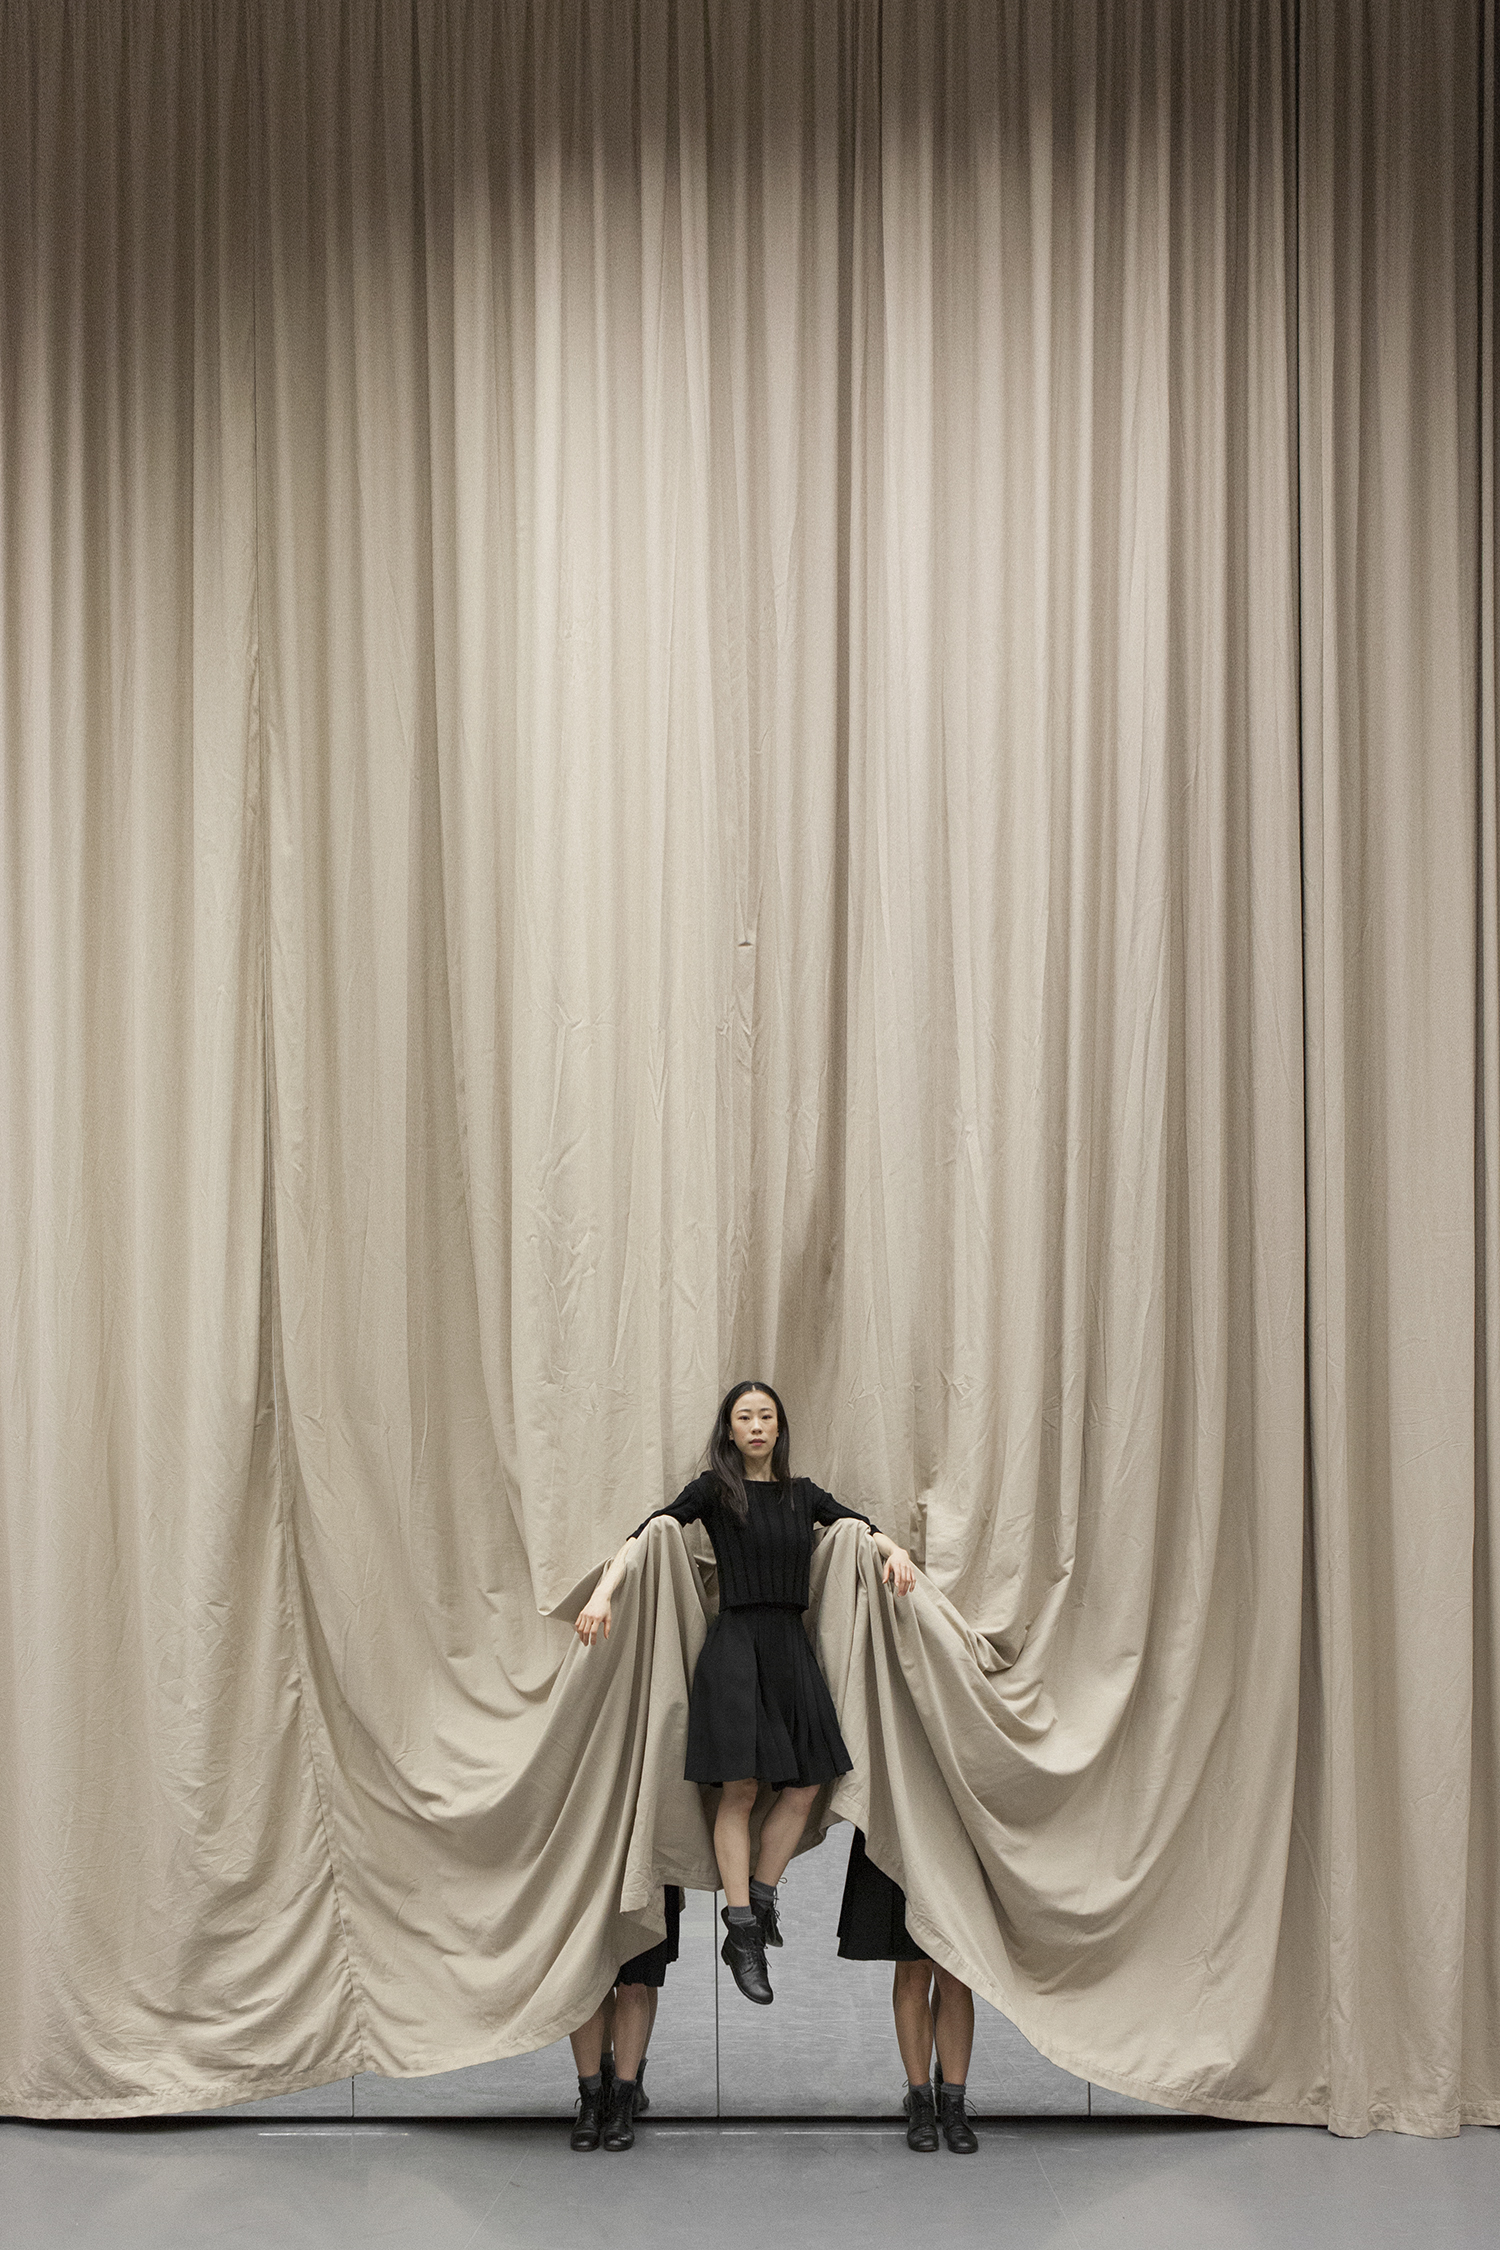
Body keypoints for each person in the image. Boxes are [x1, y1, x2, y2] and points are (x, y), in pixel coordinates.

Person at [576, 1381, 915, 2007]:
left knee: (809, 1784)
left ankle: (758, 1902)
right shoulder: (713, 1490)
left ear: (779, 1427)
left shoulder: (802, 1495)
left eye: (766, 1416)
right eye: (744, 1417)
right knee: (740, 1789)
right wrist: (603, 1592)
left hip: (790, 1650)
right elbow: (647, 1534)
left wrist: (893, 1551)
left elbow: (860, 1528)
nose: (756, 1426)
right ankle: (741, 1929)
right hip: (734, 1652)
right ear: (729, 1430)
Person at [837, 1827, 979, 2154]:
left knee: (955, 1970)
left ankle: (954, 2104)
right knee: (912, 1963)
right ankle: (921, 2103)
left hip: (953, 1827)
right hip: (898, 1825)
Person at [568, 1886, 680, 2152]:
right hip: (586, 1864)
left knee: (636, 1981)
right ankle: (593, 2100)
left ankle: (623, 2100)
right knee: (588, 1979)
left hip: (646, 1869)